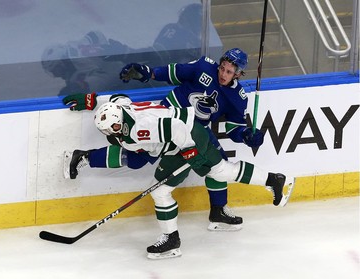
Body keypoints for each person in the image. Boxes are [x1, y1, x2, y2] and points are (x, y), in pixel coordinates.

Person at [62, 48, 281, 232]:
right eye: (222, 68)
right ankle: (85, 157)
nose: (223, 74)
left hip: (192, 133)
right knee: (138, 159)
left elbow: (233, 127)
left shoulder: (237, 98)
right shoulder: (204, 66)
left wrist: (246, 136)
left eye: (229, 72)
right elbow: (174, 72)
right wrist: (148, 73)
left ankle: (218, 211)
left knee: (218, 162)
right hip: (164, 122)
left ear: (238, 74)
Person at [89, 97, 293, 259]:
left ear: (119, 121)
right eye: (105, 130)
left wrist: (189, 152)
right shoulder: (121, 108)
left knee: (160, 192)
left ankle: (171, 240)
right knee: (221, 171)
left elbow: (176, 128)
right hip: (192, 132)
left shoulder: (138, 129)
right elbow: (119, 98)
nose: (109, 132)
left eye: (111, 128)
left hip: (185, 140)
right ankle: (274, 180)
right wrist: (90, 101)